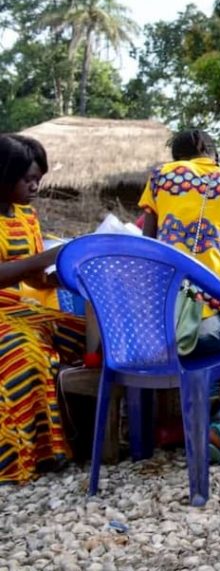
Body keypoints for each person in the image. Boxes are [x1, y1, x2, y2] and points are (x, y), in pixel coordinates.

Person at [140, 129, 220, 465]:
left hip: (160, 329)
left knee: (213, 346)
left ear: (177, 158)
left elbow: (147, 249)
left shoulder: (160, 178)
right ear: (214, 153)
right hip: (211, 326)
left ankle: (158, 434)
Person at [0, 134, 87, 484]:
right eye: (27, 180)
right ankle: (39, 454)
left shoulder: (27, 217)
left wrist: (66, 274)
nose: (35, 186)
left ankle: (93, 436)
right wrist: (48, 256)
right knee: (28, 354)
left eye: (38, 179)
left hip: (20, 308)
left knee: (87, 336)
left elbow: (35, 278)